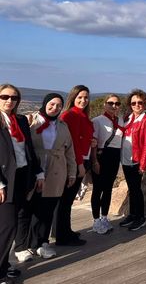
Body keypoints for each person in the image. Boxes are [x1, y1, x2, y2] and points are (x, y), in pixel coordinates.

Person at [13, 94, 75, 261]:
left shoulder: (62, 126)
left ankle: (40, 243)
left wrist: (72, 172)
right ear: (45, 103)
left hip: (55, 171)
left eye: (59, 105)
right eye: (52, 104)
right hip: (32, 170)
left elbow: (70, 150)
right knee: (25, 209)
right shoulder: (31, 120)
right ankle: (21, 246)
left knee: (46, 210)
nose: (55, 108)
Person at [0, 85, 43, 281]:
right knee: (7, 226)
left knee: (13, 223)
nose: (9, 101)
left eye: (14, 98)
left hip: (22, 176)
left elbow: (28, 149)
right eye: (4, 96)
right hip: (4, 180)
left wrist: (38, 172)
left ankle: (4, 265)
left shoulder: (21, 120)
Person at [56, 85, 93, 246]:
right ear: (73, 98)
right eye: (80, 97)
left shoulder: (83, 116)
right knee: (65, 200)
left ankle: (66, 231)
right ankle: (62, 236)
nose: (83, 100)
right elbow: (72, 143)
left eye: (86, 97)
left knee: (68, 200)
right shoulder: (69, 115)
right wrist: (79, 165)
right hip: (73, 162)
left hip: (81, 159)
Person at [118, 89, 146, 231]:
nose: (137, 105)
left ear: (144, 104)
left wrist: (143, 164)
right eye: (133, 102)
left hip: (136, 161)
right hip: (126, 160)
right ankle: (132, 214)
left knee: (136, 189)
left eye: (140, 102)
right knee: (132, 189)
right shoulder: (128, 118)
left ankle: (140, 217)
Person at [90, 94, 125, 235]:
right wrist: (94, 161)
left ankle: (104, 217)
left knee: (108, 188)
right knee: (98, 189)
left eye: (117, 103)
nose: (114, 106)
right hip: (101, 156)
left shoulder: (120, 121)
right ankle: (96, 220)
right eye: (110, 103)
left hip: (114, 156)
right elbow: (93, 143)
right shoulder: (97, 121)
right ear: (105, 104)